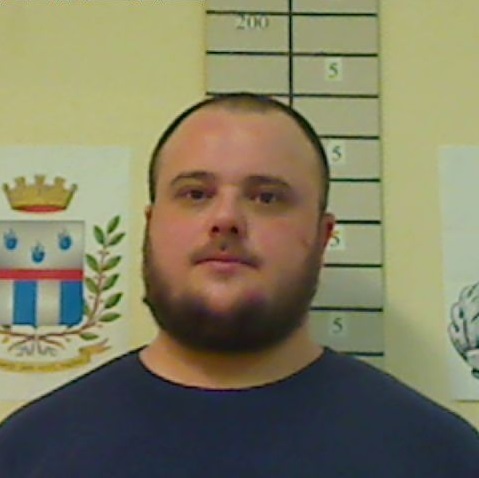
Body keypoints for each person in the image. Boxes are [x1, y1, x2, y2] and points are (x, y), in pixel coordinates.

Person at [0, 92, 477, 477]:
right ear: (151, 224)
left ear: (323, 235)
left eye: (266, 197)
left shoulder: (442, 457)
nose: (226, 218)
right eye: (195, 194)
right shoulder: (24, 453)